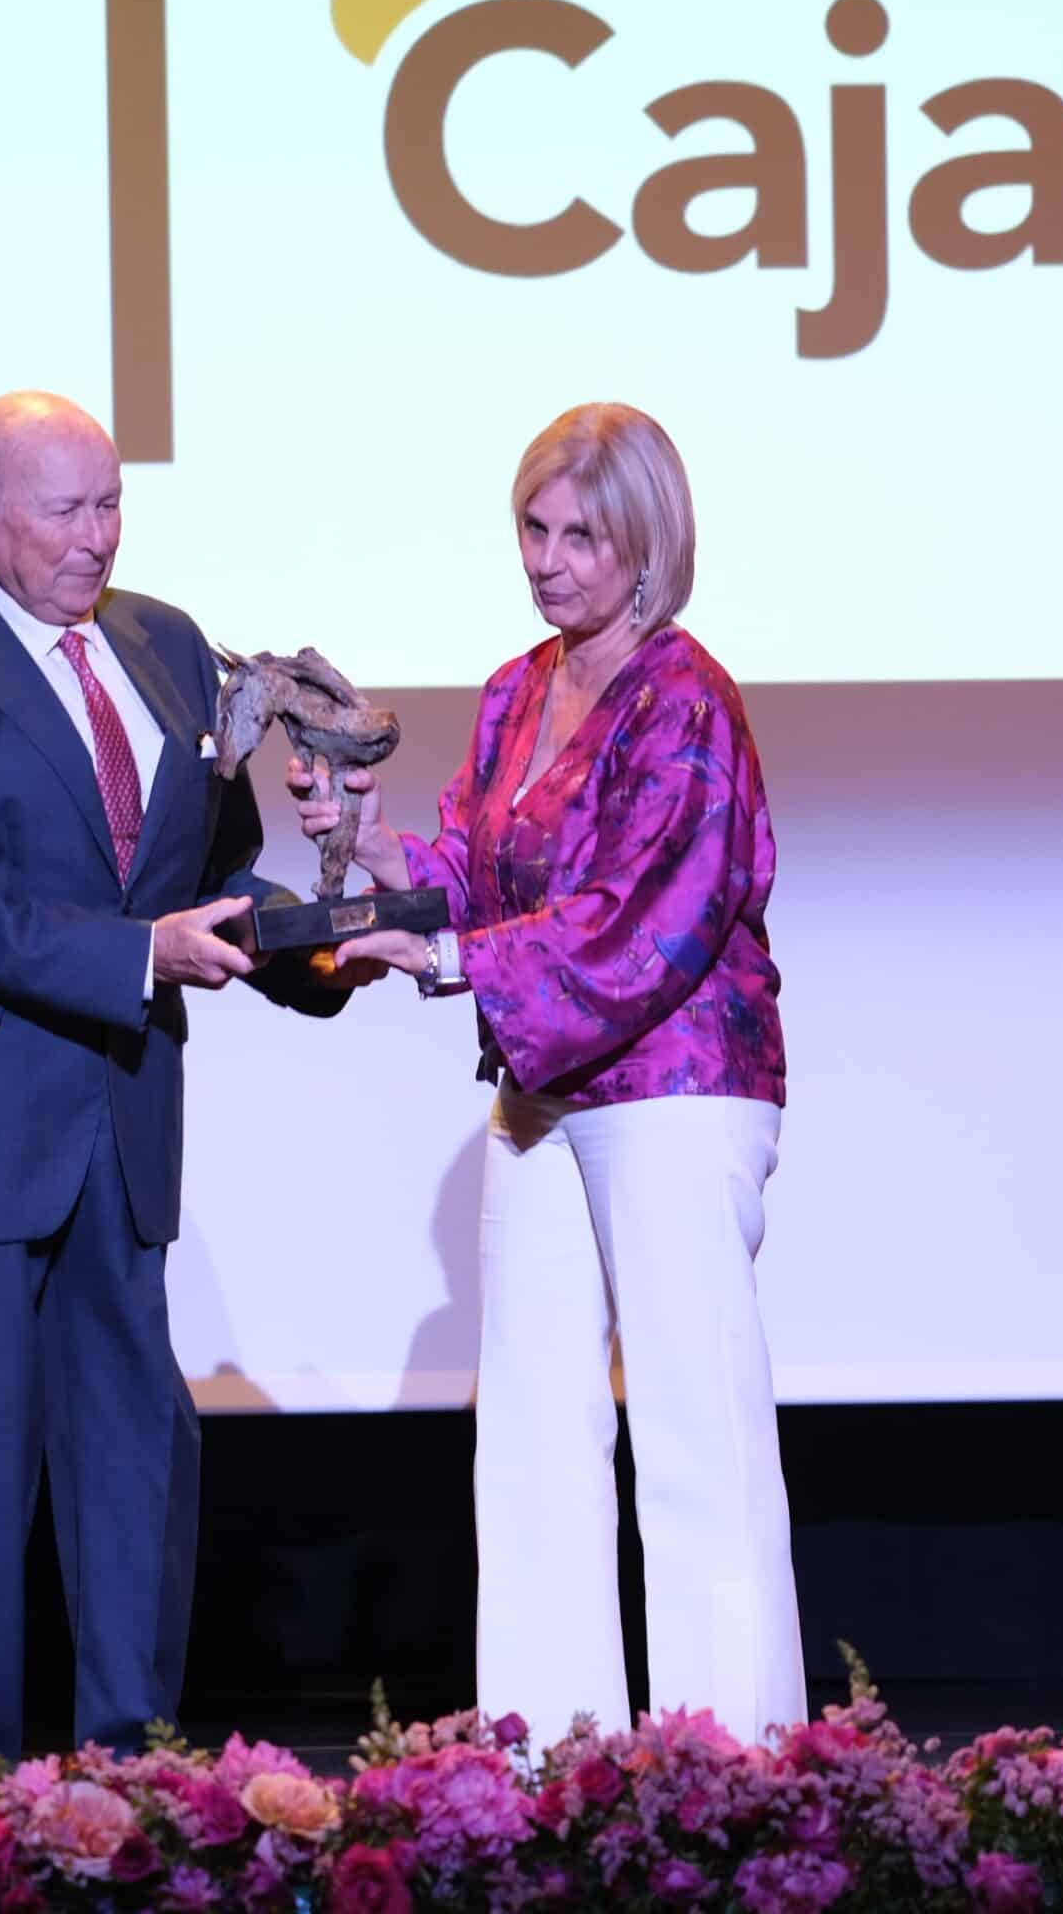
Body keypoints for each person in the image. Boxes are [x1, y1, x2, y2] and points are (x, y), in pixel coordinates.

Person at [0, 390, 367, 1766]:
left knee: (134, 1470)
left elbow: (204, 879)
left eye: (112, 502)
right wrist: (138, 956)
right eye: (65, 510)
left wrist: (325, 938)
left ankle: (138, 1778)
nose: (96, 536)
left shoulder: (167, 645)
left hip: (119, 1135)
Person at [296, 401, 801, 1745]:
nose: (551, 559)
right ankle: (546, 1762)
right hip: (544, 1090)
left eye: (584, 535)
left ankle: (740, 1767)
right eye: (535, 526)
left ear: (649, 548)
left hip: (678, 1090)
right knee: (528, 1433)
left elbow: (649, 919)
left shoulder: (689, 699)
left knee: (695, 1431)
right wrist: (372, 850)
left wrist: (454, 960)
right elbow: (465, 868)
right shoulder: (521, 689)